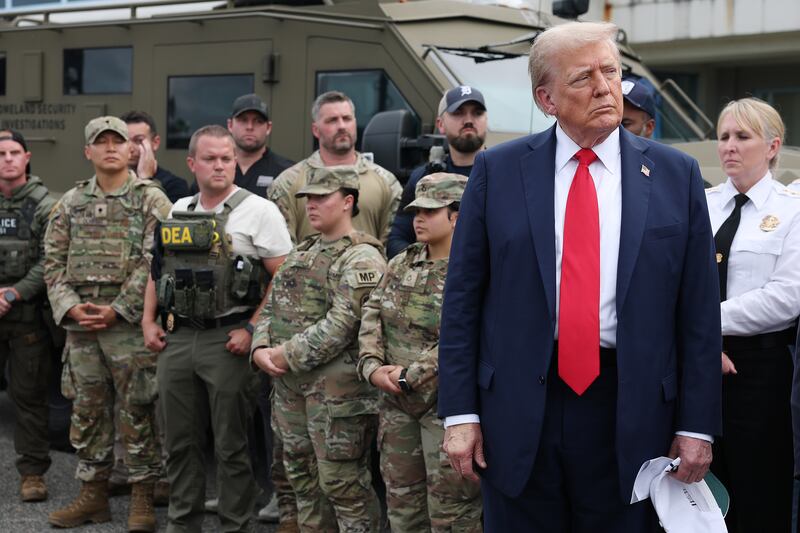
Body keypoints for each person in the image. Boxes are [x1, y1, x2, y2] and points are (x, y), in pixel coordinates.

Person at [437, 21, 722, 532]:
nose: (604, 87)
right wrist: (460, 415)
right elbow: (462, 301)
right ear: (546, 98)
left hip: (631, 409)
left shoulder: (676, 176)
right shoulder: (497, 172)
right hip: (520, 407)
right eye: (583, 77)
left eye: (610, 71)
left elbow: (698, 312)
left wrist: (697, 424)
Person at [142, 124, 291, 532]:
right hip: (178, 337)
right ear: (192, 164)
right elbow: (157, 270)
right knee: (179, 443)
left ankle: (234, 525)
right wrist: (148, 319)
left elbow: (284, 280)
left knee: (230, 445)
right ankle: (182, 524)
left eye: (226, 158)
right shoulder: (178, 210)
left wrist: (252, 329)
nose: (220, 165)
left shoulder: (259, 212)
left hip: (228, 340)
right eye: (210, 158)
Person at [44, 116, 171, 531]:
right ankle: (93, 496)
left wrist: (119, 308)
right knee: (87, 412)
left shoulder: (152, 200)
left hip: (130, 329)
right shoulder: (70, 203)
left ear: (132, 149)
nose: (112, 147)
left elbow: (157, 261)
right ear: (88, 152)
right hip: (82, 331)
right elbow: (53, 264)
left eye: (119, 140)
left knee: (137, 412)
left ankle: (141, 499)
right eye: (102, 142)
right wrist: (71, 308)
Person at [253, 166, 386, 533]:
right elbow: (273, 305)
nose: (311, 205)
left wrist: (284, 355)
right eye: (308, 198)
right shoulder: (302, 252)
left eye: (321, 198)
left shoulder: (362, 258)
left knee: (343, 485)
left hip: (335, 398)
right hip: (292, 391)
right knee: (302, 482)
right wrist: (260, 347)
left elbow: (343, 325)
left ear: (347, 202)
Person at [358, 173, 482, 532]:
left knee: (452, 512)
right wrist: (372, 366)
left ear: (457, 215)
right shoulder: (402, 262)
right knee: (402, 506)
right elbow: (372, 312)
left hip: (444, 408)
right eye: (416, 211)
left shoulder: (473, 268)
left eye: (430, 211)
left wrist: (409, 375)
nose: (418, 219)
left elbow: (465, 336)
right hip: (397, 406)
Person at [705, 97, 800, 533]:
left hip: (759, 372)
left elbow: (786, 296)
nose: (729, 146)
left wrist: (702, 323)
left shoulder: (792, 210)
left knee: (760, 491)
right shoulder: (699, 205)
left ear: (773, 145)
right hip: (696, 366)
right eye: (723, 136)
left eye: (743, 136)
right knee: (700, 491)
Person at [0, 130, 57, 503]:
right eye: (1, 153)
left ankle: (33, 473)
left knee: (29, 398)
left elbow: (50, 260)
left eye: (14, 152)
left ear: (27, 157)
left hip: (25, 318)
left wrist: (12, 292)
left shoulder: (45, 205)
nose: (7, 159)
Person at [268, 90, 402, 245]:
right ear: (315, 130)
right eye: (332, 120)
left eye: (347, 118)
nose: (342, 126)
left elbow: (391, 247)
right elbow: (281, 249)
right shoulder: (288, 184)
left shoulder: (386, 182)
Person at [387, 86, 488, 258]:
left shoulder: (504, 176)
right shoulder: (424, 178)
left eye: (477, 113)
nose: (469, 120)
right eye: (458, 113)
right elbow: (397, 239)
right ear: (440, 124)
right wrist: (426, 266)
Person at [121, 110, 189, 203]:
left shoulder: (174, 186)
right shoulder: (110, 183)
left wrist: (145, 181)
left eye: (138, 140)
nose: (130, 148)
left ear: (155, 143)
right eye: (124, 140)